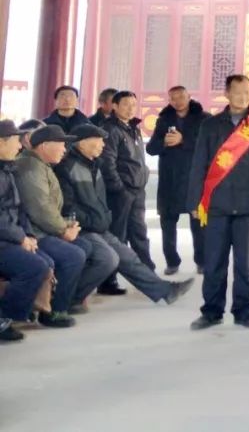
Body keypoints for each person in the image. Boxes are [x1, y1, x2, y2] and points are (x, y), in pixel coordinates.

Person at [56, 124, 193, 307]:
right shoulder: (67, 167)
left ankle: (165, 291)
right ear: (82, 143)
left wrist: (104, 217)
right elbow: (67, 206)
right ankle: (70, 298)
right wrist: (91, 221)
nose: (103, 145)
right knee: (108, 259)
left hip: (98, 225)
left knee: (128, 257)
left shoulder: (95, 164)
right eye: (98, 141)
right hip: (82, 228)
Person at [187, 74, 249, 330]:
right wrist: (195, 201)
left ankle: (245, 311)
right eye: (237, 91)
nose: (242, 96)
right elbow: (199, 164)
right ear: (226, 94)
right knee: (214, 262)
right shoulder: (211, 125)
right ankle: (211, 311)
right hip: (217, 205)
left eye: (247, 92)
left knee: (247, 263)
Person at [13, 125, 94, 328]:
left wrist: (67, 224)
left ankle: (62, 299)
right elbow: (40, 208)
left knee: (85, 247)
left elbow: (48, 207)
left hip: (42, 227)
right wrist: (63, 230)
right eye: (61, 144)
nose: (65, 149)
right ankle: (55, 311)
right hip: (34, 232)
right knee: (73, 255)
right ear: (45, 146)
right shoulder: (30, 168)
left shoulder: (40, 164)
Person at [147, 85, 208, 275]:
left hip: (194, 178)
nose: (178, 101)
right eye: (173, 98)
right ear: (170, 100)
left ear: (189, 97)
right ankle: (172, 261)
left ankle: (202, 260)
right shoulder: (164, 119)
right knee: (167, 222)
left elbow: (210, 146)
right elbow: (151, 148)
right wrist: (164, 142)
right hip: (170, 180)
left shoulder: (204, 118)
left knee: (198, 224)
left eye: (181, 96)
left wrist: (184, 140)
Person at [0, 121, 51, 342]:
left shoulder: (8, 168)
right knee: (34, 267)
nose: (20, 147)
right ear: (1, 142)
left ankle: (19, 313)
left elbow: (20, 210)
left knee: (46, 261)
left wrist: (28, 235)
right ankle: (4, 318)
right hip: (4, 240)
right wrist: (20, 237)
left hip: (11, 237)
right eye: (15, 141)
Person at [100, 90, 154, 272]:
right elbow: (107, 163)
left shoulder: (133, 127)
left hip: (137, 190)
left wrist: (143, 177)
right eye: (126, 104)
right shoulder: (110, 129)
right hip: (121, 192)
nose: (131, 109)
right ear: (114, 106)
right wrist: (119, 188)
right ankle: (109, 279)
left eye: (133, 105)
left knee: (139, 232)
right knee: (118, 234)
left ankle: (148, 273)